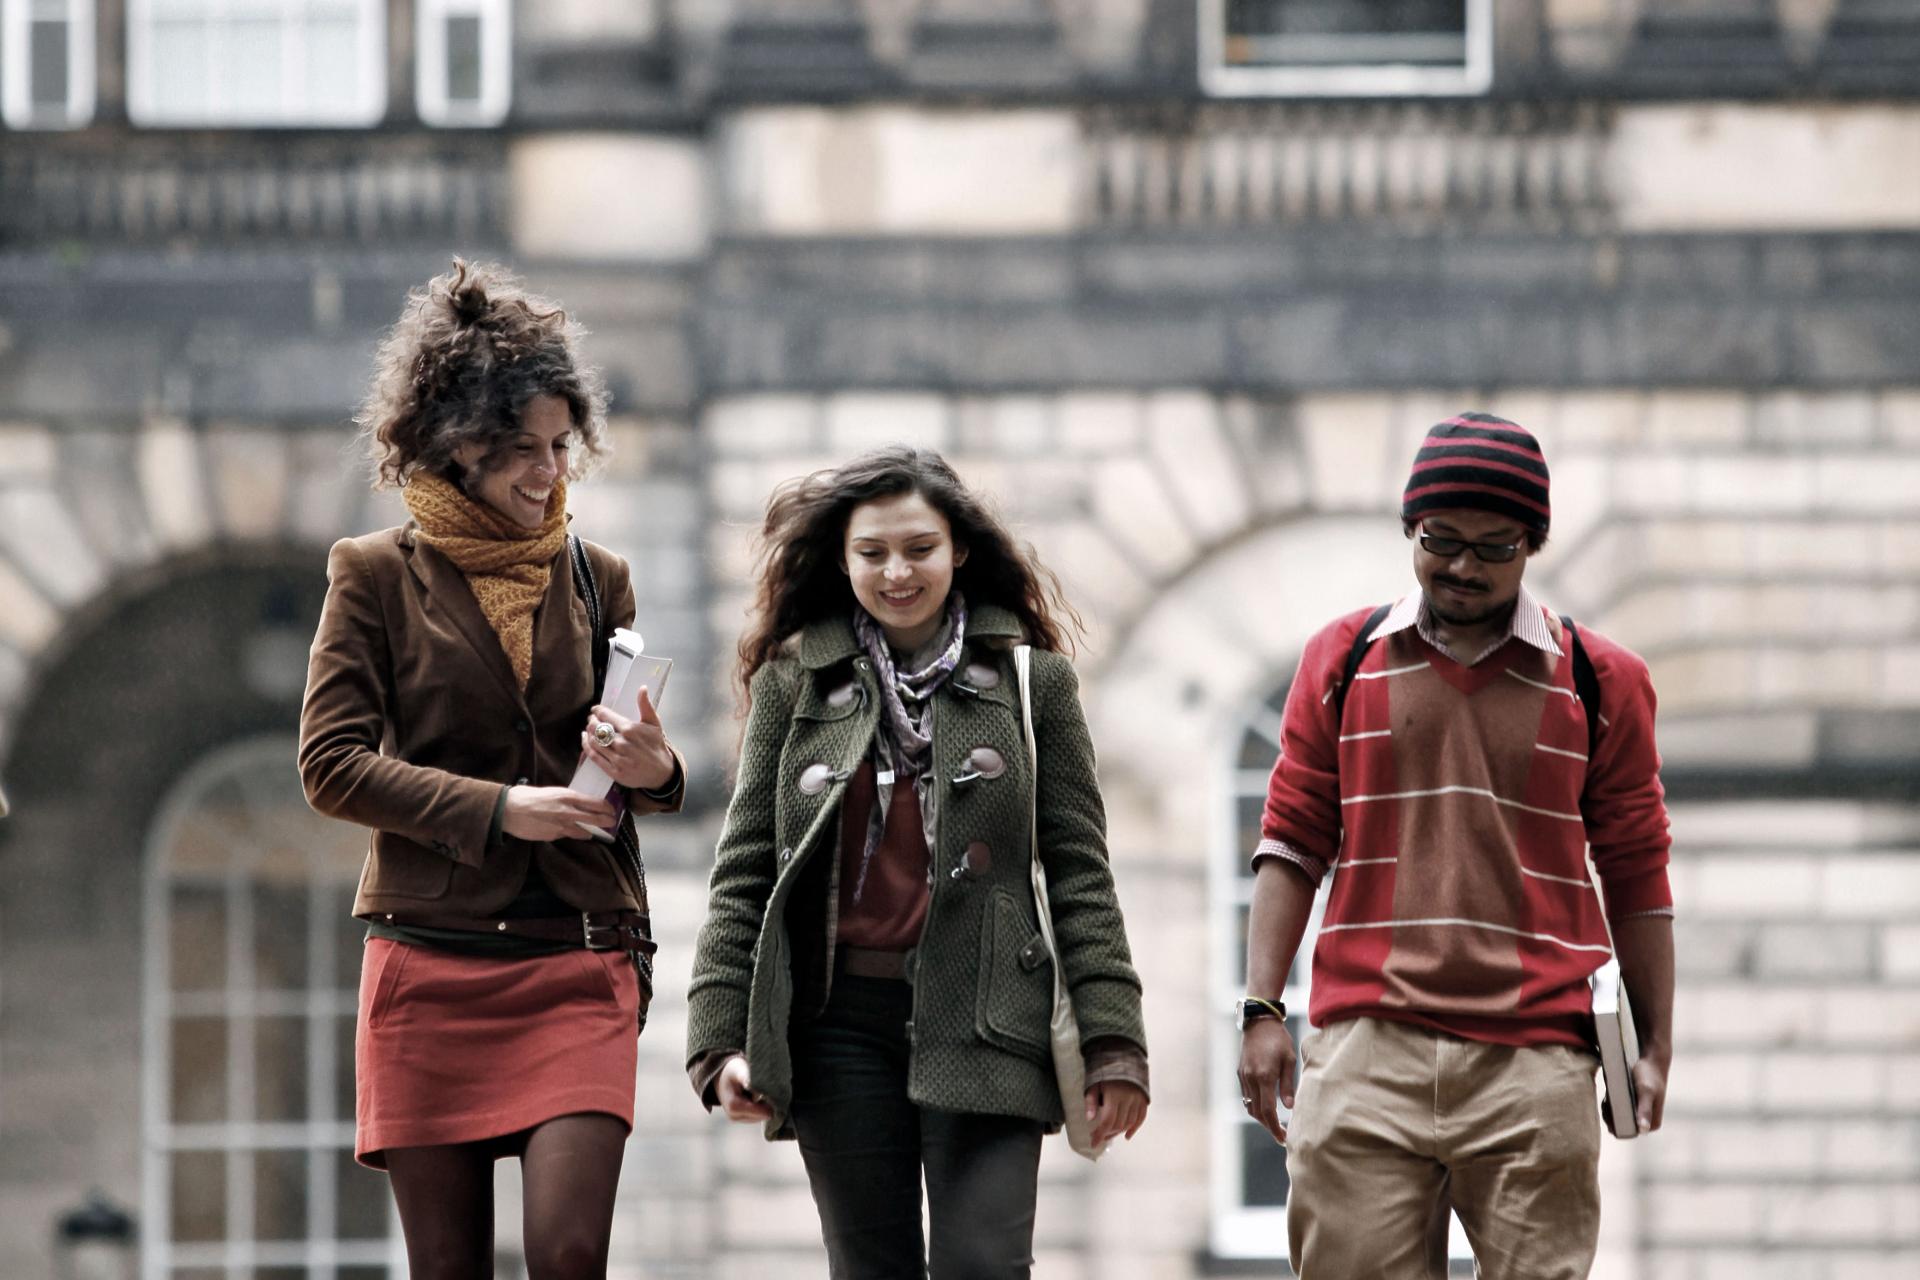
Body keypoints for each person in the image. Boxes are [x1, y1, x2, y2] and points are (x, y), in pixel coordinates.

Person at [298, 259, 686, 1279]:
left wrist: (654, 767)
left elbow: (632, 772)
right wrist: (500, 808)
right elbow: (330, 764)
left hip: (578, 951)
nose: (549, 473)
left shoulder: (599, 579)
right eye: (522, 450)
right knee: (447, 1266)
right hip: (429, 960)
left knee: (569, 1251)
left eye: (560, 446)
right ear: (457, 444)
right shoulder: (372, 575)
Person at [686, 445, 1149, 1278]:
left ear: (959, 549)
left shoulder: (1035, 684)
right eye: (872, 553)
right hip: (837, 1029)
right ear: (843, 560)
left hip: (991, 1016)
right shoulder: (795, 683)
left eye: (919, 548)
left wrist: (1114, 1042)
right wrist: (718, 1043)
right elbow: (746, 873)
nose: (897, 572)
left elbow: (1081, 872)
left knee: (985, 1264)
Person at [1237, 414, 1675, 1279]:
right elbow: (1290, 843)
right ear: (1410, 529)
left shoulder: (1601, 681)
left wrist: (1656, 1046)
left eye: (1493, 547)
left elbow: (1637, 871)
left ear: (1531, 546)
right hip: (1365, 1049)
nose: (1463, 567)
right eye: (1440, 540)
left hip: (1537, 1059)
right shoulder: (1342, 660)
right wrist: (1260, 1009)